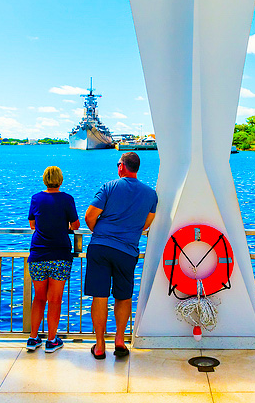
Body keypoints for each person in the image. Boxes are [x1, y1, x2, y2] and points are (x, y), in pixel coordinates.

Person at [84, 151, 157, 359]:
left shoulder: (109, 187)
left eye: (118, 164)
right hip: (127, 250)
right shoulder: (151, 195)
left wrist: (102, 233)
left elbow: (90, 217)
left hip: (101, 247)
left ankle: (99, 346)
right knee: (123, 297)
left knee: (100, 296)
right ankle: (120, 341)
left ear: (122, 167)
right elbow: (145, 224)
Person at [26, 166, 80, 353]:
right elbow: (75, 225)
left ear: (44, 179)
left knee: (39, 297)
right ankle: (51, 340)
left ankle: (33, 338)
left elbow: (33, 223)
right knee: (55, 299)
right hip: (60, 255)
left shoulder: (36, 198)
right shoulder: (67, 199)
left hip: (38, 254)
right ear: (61, 180)